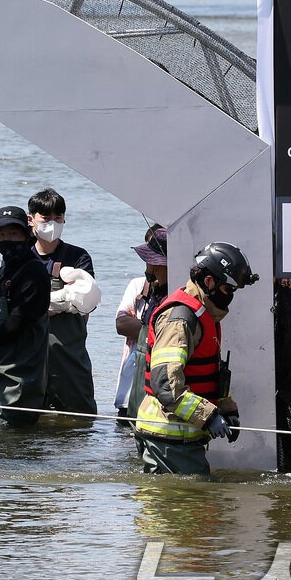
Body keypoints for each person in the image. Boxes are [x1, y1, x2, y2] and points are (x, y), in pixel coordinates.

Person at [134, 242, 259, 475]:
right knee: (187, 507)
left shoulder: (203, 314)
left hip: (179, 437)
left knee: (197, 505)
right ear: (210, 282)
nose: (230, 296)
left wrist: (226, 409)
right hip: (167, 436)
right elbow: (166, 386)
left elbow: (207, 374)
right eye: (228, 289)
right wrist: (209, 416)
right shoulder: (179, 320)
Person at [27, 187, 101, 417]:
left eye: (58, 218)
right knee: (26, 424)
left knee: (80, 421)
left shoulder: (78, 256)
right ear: (31, 220)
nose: (52, 223)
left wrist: (39, 304)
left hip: (69, 355)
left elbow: (85, 301)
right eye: (46, 218)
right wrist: (61, 301)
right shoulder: (21, 256)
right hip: (29, 356)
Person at [0, 206, 53, 427]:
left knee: (10, 432)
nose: (7, 239)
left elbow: (20, 319)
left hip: (22, 373)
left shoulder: (35, 272)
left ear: (26, 236)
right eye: (1, 234)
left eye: (13, 233)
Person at [112, 226, 169, 425]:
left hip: (155, 398)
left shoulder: (174, 295)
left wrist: (150, 330)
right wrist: (152, 330)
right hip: (130, 394)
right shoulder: (139, 286)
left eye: (151, 257)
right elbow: (121, 324)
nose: (147, 264)